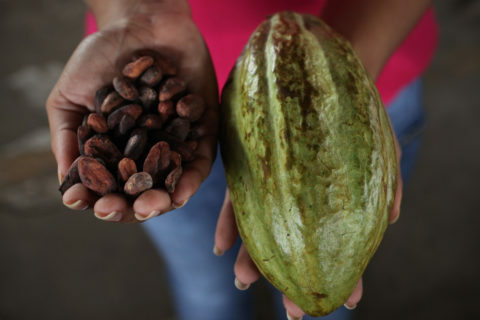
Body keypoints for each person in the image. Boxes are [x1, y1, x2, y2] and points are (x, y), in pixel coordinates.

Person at [47, 0, 437, 319]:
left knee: (322, 292)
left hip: (367, 57)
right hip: (185, 102)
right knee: (207, 290)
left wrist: (340, 74)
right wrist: (136, 13)